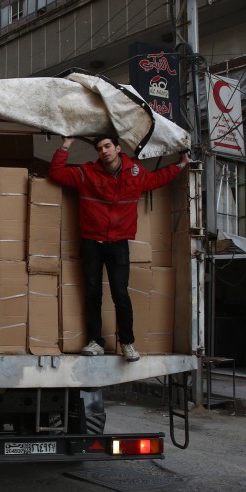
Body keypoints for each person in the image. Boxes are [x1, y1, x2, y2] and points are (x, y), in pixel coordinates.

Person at [48, 134, 189, 362]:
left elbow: (157, 178)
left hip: (119, 244)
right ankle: (96, 342)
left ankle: (128, 343)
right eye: (100, 148)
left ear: (117, 148)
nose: (104, 151)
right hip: (91, 242)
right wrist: (66, 145)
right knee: (93, 293)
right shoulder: (87, 173)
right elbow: (56, 172)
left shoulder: (135, 173)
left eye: (107, 146)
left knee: (120, 294)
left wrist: (181, 165)